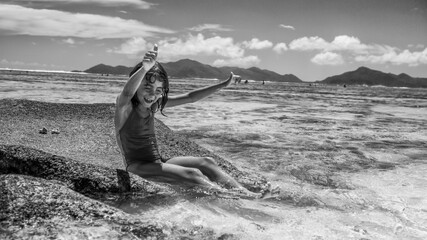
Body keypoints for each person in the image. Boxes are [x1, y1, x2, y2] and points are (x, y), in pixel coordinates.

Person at [114, 44, 272, 197]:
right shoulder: (126, 107)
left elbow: (190, 97)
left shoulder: (153, 106)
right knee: (193, 173)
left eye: (158, 90)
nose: (152, 94)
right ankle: (234, 195)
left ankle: (243, 191)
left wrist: (224, 84)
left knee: (206, 162)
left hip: (156, 161)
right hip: (137, 166)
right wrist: (144, 69)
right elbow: (127, 93)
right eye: (147, 88)